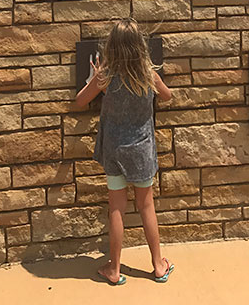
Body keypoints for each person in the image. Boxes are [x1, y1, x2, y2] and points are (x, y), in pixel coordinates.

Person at [74, 18, 174, 286]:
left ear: (112, 47)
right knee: (146, 206)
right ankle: (158, 266)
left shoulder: (106, 78)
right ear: (140, 46)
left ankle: (114, 269)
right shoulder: (148, 76)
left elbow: (80, 101)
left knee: (116, 208)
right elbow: (167, 96)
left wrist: (95, 78)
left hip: (114, 149)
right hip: (142, 149)